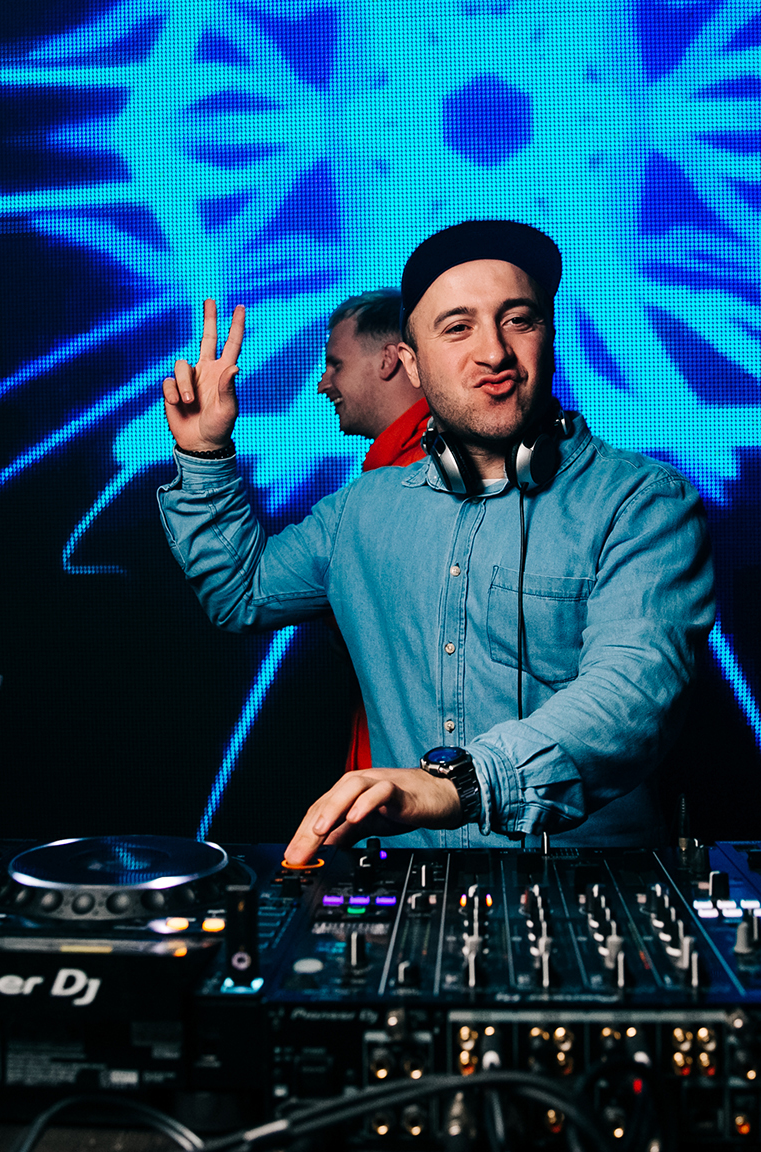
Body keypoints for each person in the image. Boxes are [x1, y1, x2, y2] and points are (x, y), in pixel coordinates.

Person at [159, 221, 714, 861]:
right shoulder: (361, 510)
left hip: (586, 879)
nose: (494, 353)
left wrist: (462, 786)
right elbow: (240, 593)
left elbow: (634, 690)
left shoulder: (642, 503)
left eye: (519, 321)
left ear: (550, 335)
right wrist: (204, 454)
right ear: (412, 365)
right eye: (457, 328)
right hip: (408, 878)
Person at [317, 288, 433, 772]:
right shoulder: (386, 481)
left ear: (388, 360)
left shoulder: (421, 483)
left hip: (426, 798)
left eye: (336, 364)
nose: (323, 384)